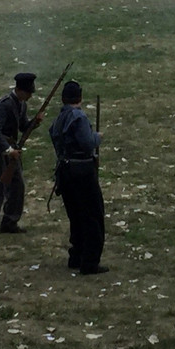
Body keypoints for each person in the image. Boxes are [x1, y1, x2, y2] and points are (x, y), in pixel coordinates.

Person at [49, 81, 107, 275]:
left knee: (76, 216)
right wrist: (97, 137)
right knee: (92, 217)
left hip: (65, 173)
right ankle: (89, 262)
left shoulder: (60, 117)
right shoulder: (78, 117)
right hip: (82, 172)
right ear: (79, 98)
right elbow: (87, 143)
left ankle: (76, 256)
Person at [0, 72, 39, 239]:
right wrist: (8, 150)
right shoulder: (3, 105)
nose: (30, 96)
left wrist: (34, 124)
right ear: (19, 90)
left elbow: (22, 126)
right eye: (28, 92)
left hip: (12, 150)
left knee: (18, 186)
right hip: (0, 151)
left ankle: (10, 221)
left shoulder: (21, 104)